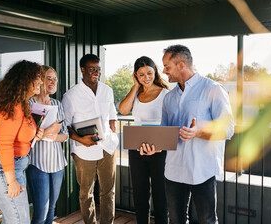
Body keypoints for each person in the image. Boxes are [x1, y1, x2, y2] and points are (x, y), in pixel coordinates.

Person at [142, 45, 234, 224]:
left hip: (202, 170)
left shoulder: (212, 89)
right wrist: (154, 148)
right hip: (174, 171)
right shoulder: (169, 98)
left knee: (207, 220)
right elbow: (164, 134)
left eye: (167, 67)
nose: (164, 71)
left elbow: (228, 128)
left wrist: (198, 131)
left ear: (181, 65)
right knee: (176, 220)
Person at [0, 60, 44, 224]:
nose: (41, 81)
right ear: (25, 80)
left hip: (15, 166)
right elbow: (5, 144)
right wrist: (11, 181)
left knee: (14, 219)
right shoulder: (14, 105)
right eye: (37, 77)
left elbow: (19, 135)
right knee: (19, 221)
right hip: (3, 167)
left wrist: (35, 134)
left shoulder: (23, 103)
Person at [62, 54, 118, 224]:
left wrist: (113, 135)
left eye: (98, 69)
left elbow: (112, 117)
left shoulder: (107, 90)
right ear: (82, 70)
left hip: (107, 147)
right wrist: (80, 140)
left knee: (108, 191)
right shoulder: (71, 95)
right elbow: (65, 125)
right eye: (92, 69)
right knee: (86, 192)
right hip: (83, 151)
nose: (96, 72)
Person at [119, 56, 169, 224]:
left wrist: (160, 146)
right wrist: (135, 87)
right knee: (140, 195)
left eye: (149, 73)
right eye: (141, 75)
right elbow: (123, 110)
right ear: (135, 76)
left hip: (159, 151)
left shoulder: (165, 94)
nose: (146, 78)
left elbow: (171, 122)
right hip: (137, 150)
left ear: (155, 72)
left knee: (160, 196)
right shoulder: (137, 93)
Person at [26, 65, 68, 224]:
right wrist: (48, 132)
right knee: (41, 210)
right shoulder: (29, 103)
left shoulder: (57, 104)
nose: (52, 82)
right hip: (37, 163)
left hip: (57, 162)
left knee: (52, 208)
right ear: (40, 80)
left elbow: (65, 134)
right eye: (49, 78)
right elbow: (29, 136)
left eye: (55, 80)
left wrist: (53, 135)